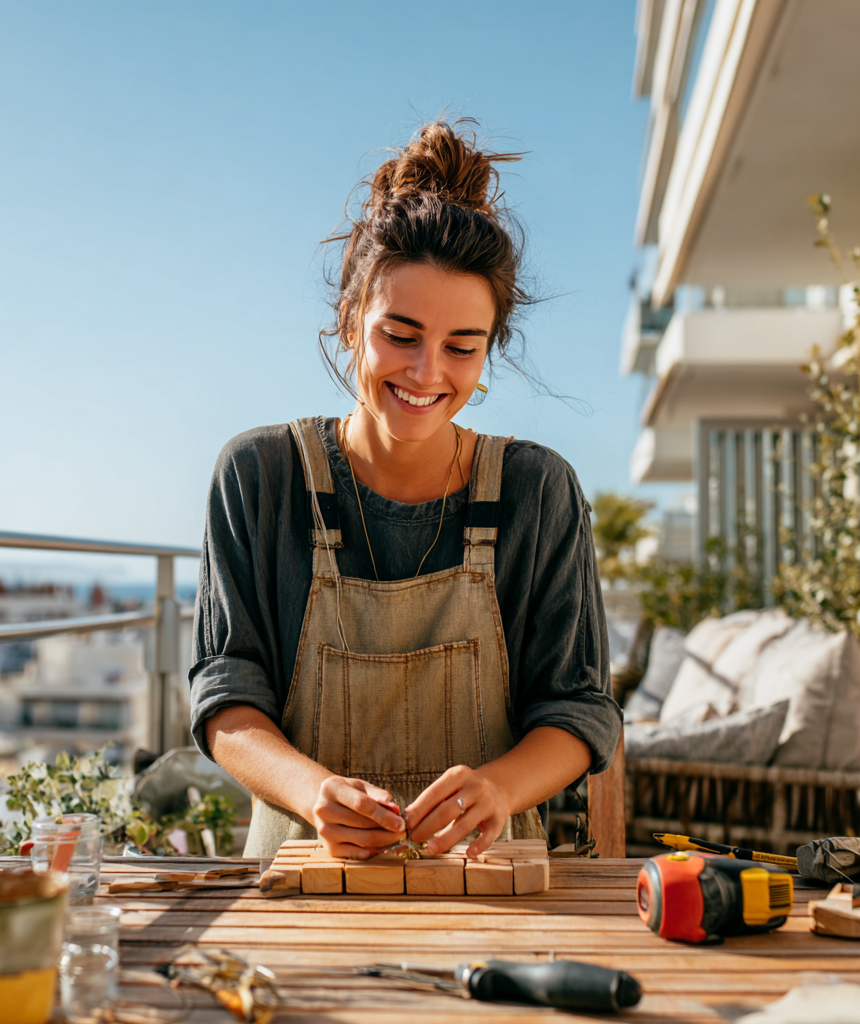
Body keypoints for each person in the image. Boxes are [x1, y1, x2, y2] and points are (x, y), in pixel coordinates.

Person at [189, 121, 621, 860]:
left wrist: (501, 789)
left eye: (462, 347)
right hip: (301, 882)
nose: (427, 373)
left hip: (491, 887)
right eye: (400, 334)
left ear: (489, 352)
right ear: (352, 322)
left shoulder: (539, 490)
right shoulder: (258, 476)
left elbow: (579, 710)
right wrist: (308, 791)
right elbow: (225, 694)